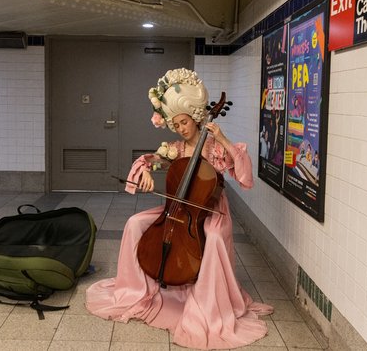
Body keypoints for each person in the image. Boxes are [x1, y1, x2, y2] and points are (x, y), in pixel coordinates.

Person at [85, 68, 273, 350]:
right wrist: (147, 170)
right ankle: (137, 288)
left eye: (184, 122)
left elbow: (244, 176)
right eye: (175, 125)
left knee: (213, 237)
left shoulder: (215, 148)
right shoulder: (174, 148)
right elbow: (150, 159)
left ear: (196, 117)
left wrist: (221, 138)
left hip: (210, 211)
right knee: (136, 222)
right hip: (177, 209)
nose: (181, 129)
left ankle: (208, 303)